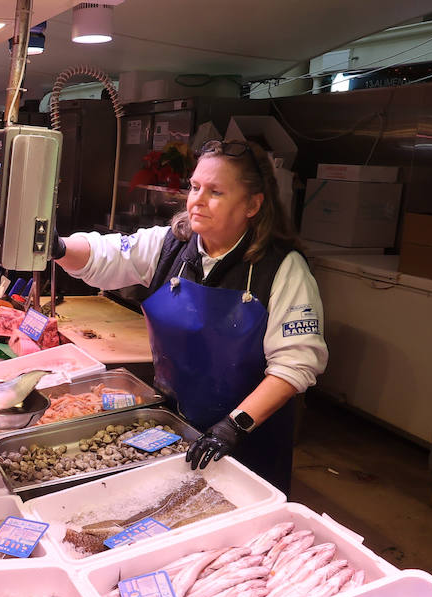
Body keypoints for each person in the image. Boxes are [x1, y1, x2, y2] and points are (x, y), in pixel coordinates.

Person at [53, 139, 328, 494]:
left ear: (252, 204)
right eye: (195, 187)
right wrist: (55, 246)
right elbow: (105, 256)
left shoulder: (282, 268)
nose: (197, 200)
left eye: (215, 192)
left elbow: (296, 364)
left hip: (247, 437)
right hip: (172, 424)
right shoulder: (172, 244)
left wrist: (233, 426)